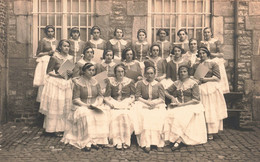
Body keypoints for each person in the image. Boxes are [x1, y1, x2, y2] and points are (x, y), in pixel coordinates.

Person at [61, 63, 109, 151]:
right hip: (81, 105)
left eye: (93, 70)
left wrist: (97, 104)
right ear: (83, 71)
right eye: (89, 70)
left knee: (102, 114)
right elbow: (75, 99)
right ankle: (87, 142)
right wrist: (86, 105)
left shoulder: (96, 82)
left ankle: (98, 140)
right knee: (86, 115)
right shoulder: (78, 83)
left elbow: (100, 95)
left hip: (94, 105)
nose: (91, 72)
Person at [164, 65, 207, 151]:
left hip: (191, 105)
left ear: (188, 73)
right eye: (181, 72)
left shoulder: (193, 83)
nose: (182, 73)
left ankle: (179, 140)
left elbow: (196, 100)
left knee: (183, 116)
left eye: (184, 71)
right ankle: (173, 138)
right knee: (169, 115)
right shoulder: (177, 83)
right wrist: (172, 97)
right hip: (179, 105)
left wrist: (182, 105)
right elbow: (165, 91)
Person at [191, 47, 227, 140]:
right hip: (200, 87)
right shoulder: (196, 65)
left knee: (210, 109)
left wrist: (206, 79)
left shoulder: (213, 63)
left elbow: (217, 77)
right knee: (201, 109)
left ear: (207, 54)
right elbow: (194, 76)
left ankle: (211, 131)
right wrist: (196, 80)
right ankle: (201, 130)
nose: (202, 55)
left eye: (204, 53)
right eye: (200, 53)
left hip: (210, 88)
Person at [39, 39, 74, 137]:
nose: (66, 48)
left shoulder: (71, 58)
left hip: (67, 83)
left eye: (68, 46)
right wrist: (58, 76)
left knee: (65, 106)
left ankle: (65, 128)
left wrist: (70, 73)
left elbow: (71, 71)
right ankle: (54, 129)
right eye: (64, 46)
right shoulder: (54, 58)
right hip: (57, 83)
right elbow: (48, 71)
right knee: (57, 106)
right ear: (60, 47)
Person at [134, 65, 166, 153]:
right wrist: (147, 103)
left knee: (156, 117)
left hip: (156, 104)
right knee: (146, 117)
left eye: (152, 73)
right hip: (144, 103)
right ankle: (146, 143)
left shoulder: (159, 84)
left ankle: (157, 142)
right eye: (147, 73)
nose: (150, 75)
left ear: (155, 74)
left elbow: (162, 98)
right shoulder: (140, 83)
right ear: (144, 74)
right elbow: (137, 96)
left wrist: (154, 103)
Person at [104, 63, 136, 150]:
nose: (120, 73)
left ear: (124, 72)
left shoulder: (130, 81)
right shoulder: (110, 81)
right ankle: (116, 140)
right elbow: (106, 96)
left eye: (122, 71)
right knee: (114, 116)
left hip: (126, 102)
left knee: (125, 115)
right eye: (118, 72)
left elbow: (133, 96)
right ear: (115, 73)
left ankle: (126, 140)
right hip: (113, 102)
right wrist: (110, 104)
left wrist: (129, 102)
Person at [33, 25, 59, 102]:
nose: (50, 33)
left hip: (54, 61)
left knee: (54, 81)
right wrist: (48, 53)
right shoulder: (42, 41)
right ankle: (43, 100)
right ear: (46, 32)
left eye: (52, 31)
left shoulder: (56, 41)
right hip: (45, 62)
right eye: (49, 31)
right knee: (45, 80)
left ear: (54, 32)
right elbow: (38, 54)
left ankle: (53, 100)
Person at [200, 27, 229, 93]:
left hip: (215, 60)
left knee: (217, 77)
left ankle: (219, 91)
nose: (206, 34)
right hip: (206, 62)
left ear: (211, 33)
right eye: (205, 32)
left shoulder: (216, 42)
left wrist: (211, 54)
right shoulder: (202, 43)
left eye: (208, 32)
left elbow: (221, 54)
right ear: (203, 34)